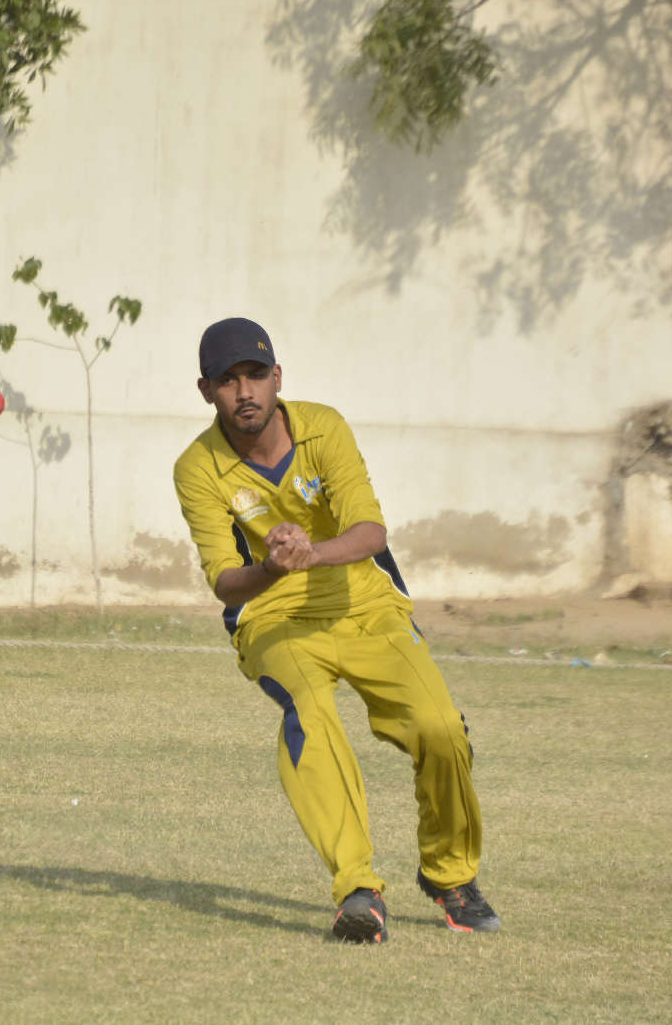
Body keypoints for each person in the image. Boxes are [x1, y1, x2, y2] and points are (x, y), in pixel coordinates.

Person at [172, 316, 500, 943]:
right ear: (206, 390)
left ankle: (450, 874)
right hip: (274, 617)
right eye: (227, 381)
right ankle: (358, 890)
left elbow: (371, 533)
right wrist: (273, 566)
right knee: (310, 713)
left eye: (255, 375)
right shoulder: (198, 467)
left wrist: (312, 553)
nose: (244, 392)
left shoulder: (324, 427)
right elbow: (224, 581)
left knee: (440, 729)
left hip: (364, 604)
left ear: (277, 377)